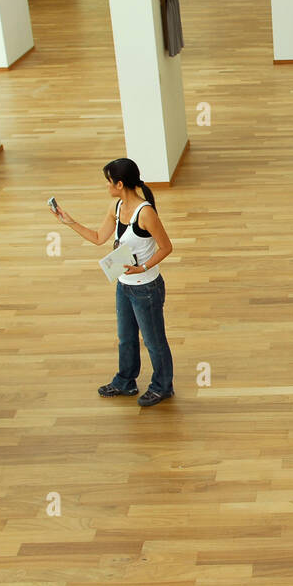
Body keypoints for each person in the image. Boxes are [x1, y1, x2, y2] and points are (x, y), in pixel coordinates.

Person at [52, 158, 175, 406]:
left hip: (146, 288)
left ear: (119, 184)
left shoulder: (146, 213)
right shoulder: (116, 207)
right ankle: (125, 381)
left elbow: (166, 247)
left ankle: (163, 386)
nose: (107, 186)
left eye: (109, 181)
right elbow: (99, 238)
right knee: (126, 337)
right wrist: (69, 222)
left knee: (153, 341)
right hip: (124, 284)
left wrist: (142, 267)